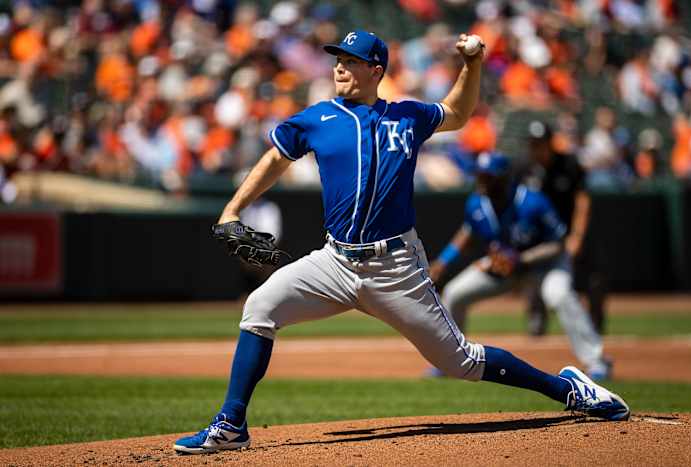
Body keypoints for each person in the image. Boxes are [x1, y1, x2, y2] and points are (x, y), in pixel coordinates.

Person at [173, 30, 629, 455]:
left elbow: (458, 113)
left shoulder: (406, 115)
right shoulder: (317, 119)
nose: (339, 69)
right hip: (334, 262)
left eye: (351, 62)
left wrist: (471, 65)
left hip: (396, 268)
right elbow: (275, 157)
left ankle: (569, 388)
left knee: (462, 363)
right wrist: (232, 210)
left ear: (376, 70)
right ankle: (231, 423)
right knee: (260, 308)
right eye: (337, 61)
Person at [428, 151, 610, 381]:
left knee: (560, 295)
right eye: (480, 175)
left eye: (488, 176)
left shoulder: (532, 201)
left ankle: (596, 361)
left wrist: (521, 259)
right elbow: (467, 233)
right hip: (504, 268)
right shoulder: (477, 202)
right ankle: (450, 361)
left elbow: (557, 245)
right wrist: (444, 261)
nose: (481, 181)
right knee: (454, 293)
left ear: (504, 178)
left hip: (545, 266)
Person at [521, 120, 608, 344]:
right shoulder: (527, 168)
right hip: (543, 237)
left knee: (593, 278)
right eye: (533, 144)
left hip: (572, 230)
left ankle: (596, 323)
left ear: (550, 143)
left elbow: (582, 200)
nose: (536, 149)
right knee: (534, 277)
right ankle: (537, 320)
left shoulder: (568, 163)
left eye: (540, 144)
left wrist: (577, 236)